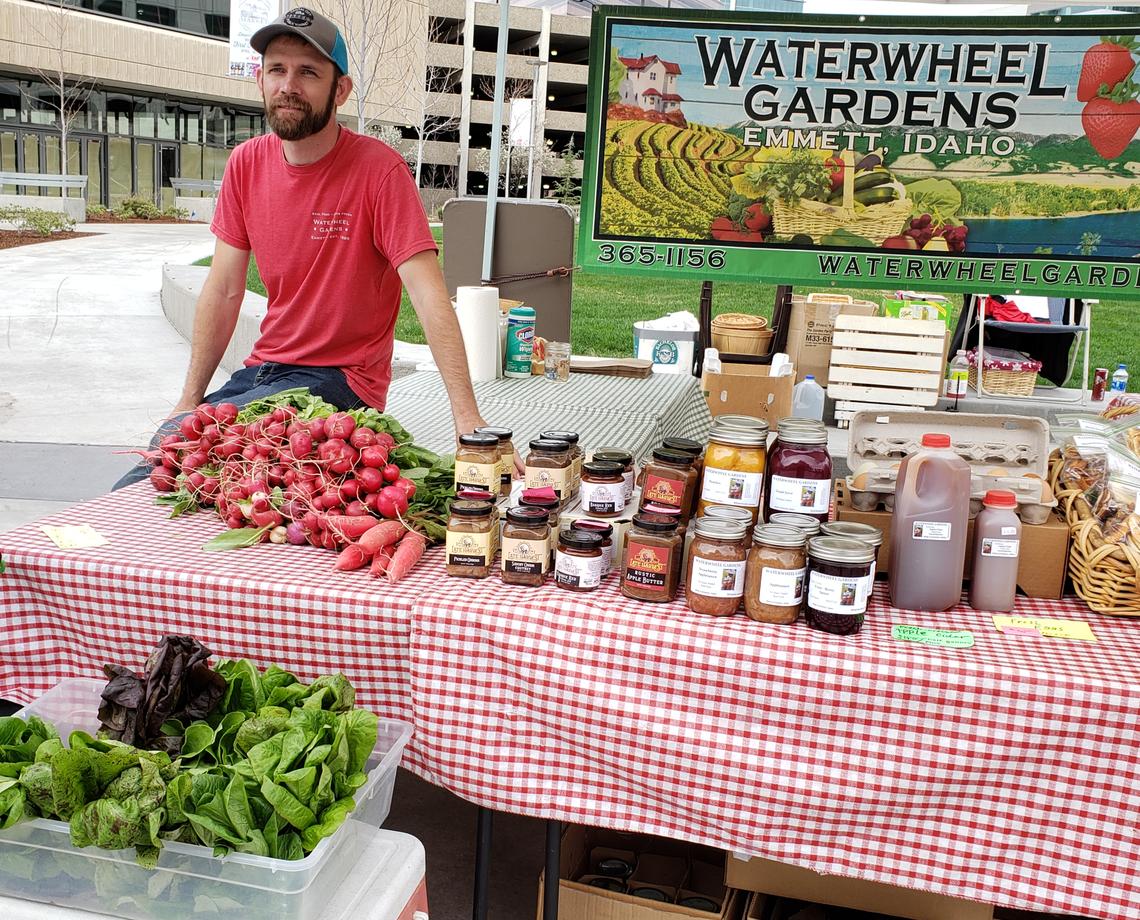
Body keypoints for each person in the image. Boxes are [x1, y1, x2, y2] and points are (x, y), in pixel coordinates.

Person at [116, 6, 494, 487]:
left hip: (341, 383)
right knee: (169, 446)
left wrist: (467, 420)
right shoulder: (246, 164)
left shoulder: (379, 172)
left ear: (340, 90)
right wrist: (190, 397)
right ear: (260, 80)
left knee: (158, 477)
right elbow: (225, 289)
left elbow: (428, 296)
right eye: (277, 69)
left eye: (308, 72)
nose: (288, 85)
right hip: (264, 372)